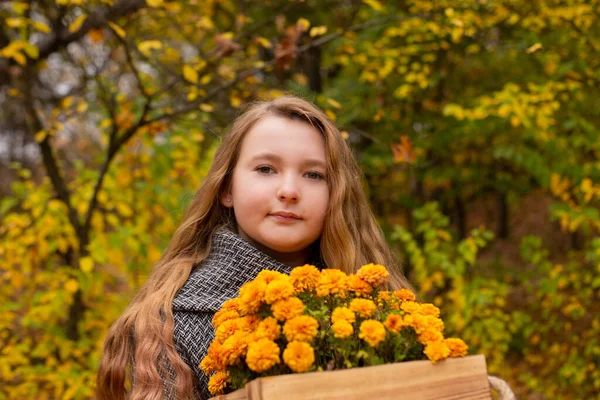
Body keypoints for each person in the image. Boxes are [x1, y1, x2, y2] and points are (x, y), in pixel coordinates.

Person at [96, 95, 413, 400]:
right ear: (226, 188)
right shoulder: (171, 323)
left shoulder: (375, 305)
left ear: (337, 196)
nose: (289, 190)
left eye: (314, 174)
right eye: (266, 169)